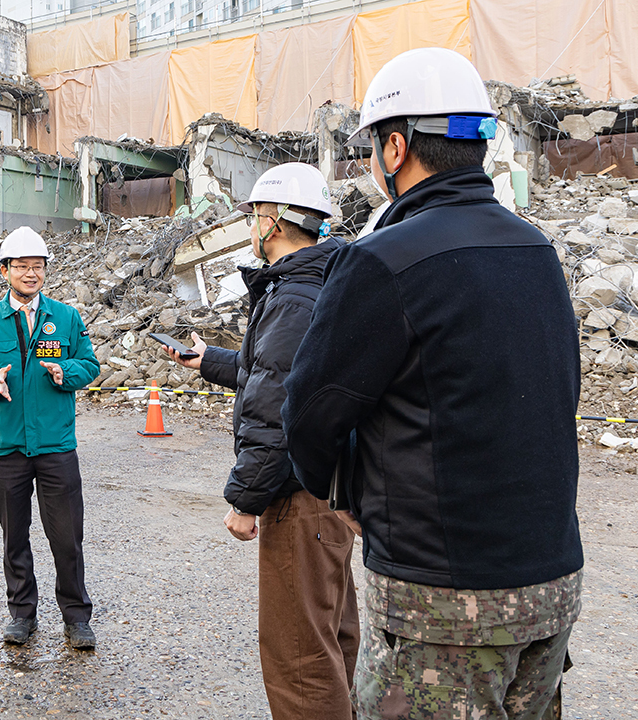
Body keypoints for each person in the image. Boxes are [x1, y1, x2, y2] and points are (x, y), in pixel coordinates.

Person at [282, 47, 583, 718]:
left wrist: (350, 493)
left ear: (395, 148)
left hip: (441, 605)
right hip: (551, 584)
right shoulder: (536, 251)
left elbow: (309, 418)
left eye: (370, 151)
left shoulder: (383, 261)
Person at [164, 163, 358, 719]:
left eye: (254, 215)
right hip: (331, 493)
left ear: (271, 222)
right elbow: (277, 374)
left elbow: (276, 411)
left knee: (299, 656)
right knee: (332, 637)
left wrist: (245, 499)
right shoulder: (319, 283)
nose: (251, 225)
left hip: (299, 500)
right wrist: (211, 361)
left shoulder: (294, 299)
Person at [0, 227, 101, 649]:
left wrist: (65, 374)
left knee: (67, 537)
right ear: (5, 271)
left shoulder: (67, 317)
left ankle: (76, 619)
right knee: (14, 536)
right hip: (6, 448)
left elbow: (89, 364)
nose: (30, 274)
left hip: (56, 446)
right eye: (21, 267)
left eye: (37, 267)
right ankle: (22, 615)